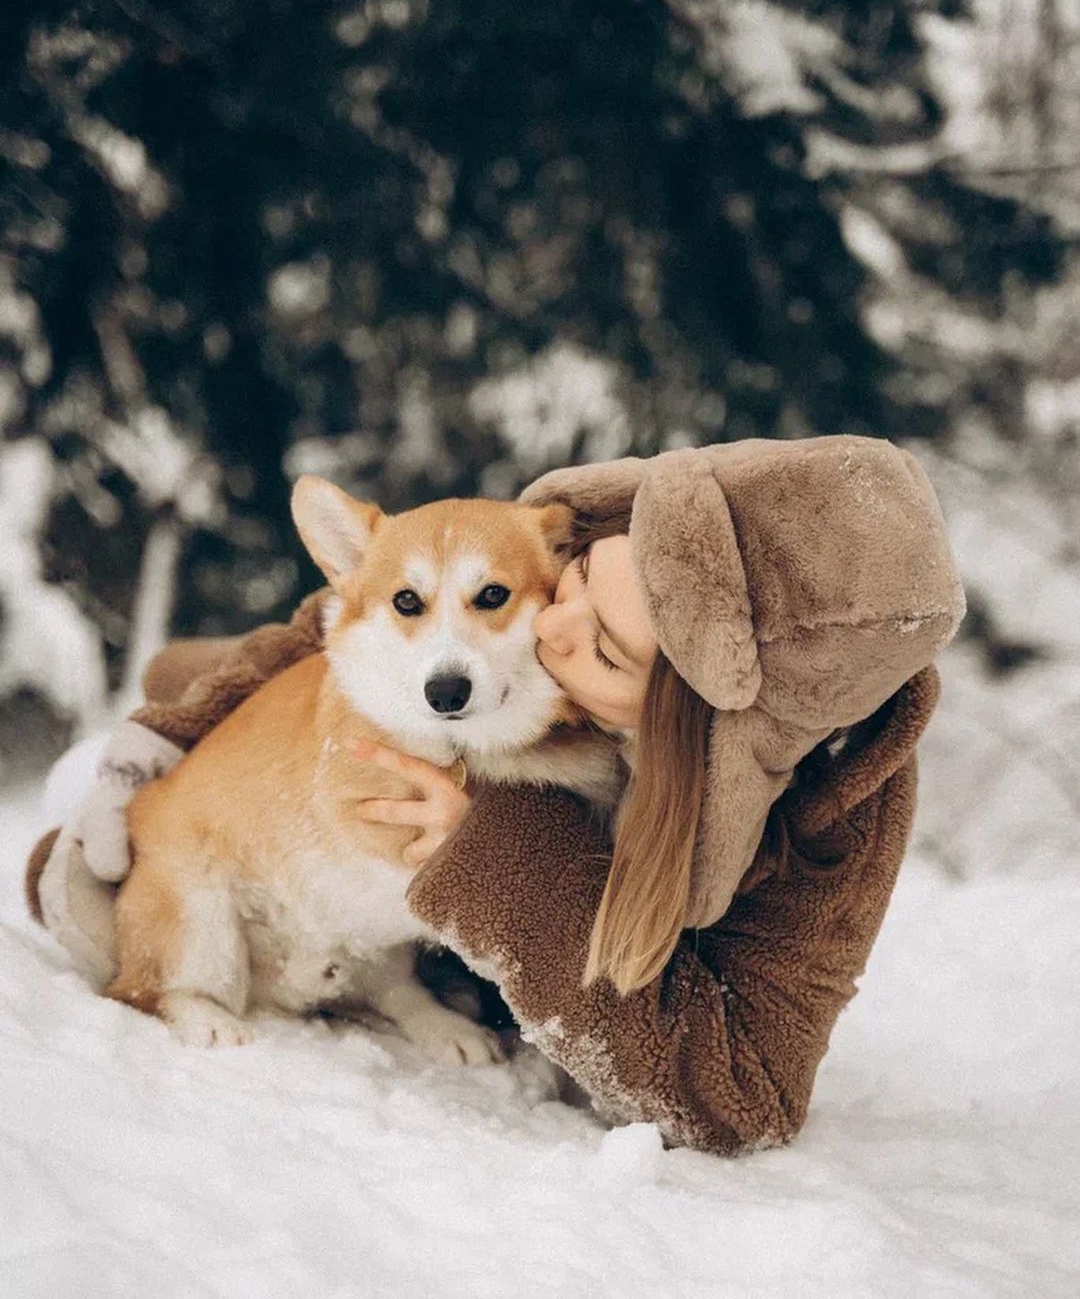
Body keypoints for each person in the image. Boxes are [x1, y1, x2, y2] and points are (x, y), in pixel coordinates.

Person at [26, 436, 965, 1155]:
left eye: (603, 651)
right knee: (132, 776)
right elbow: (329, 628)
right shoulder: (581, 553)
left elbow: (739, 1098)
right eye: (578, 582)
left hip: (415, 943)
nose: (554, 628)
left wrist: (491, 857)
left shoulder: (837, 810)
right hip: (234, 819)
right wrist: (172, 728)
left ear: (692, 714)